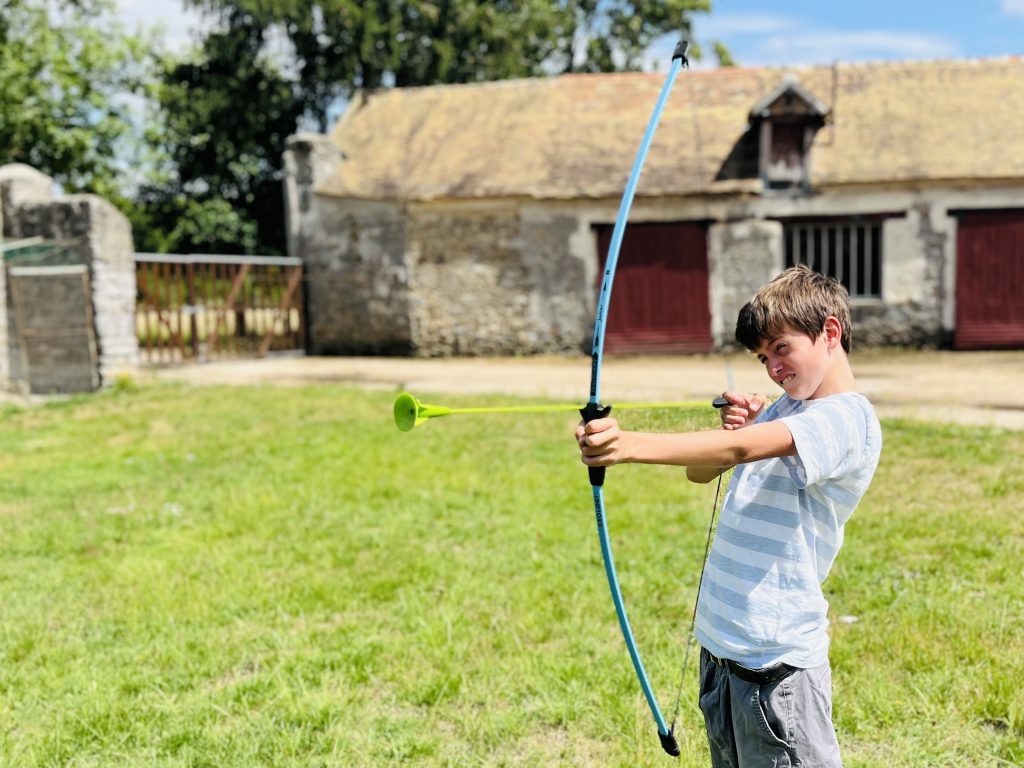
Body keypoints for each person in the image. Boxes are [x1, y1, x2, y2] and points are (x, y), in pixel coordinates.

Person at [576, 265, 882, 767]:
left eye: (781, 348)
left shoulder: (848, 418)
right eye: (763, 358)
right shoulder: (785, 410)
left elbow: (741, 449)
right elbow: (704, 472)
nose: (773, 368)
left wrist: (626, 445)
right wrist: (740, 427)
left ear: (829, 332)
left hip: (776, 667)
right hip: (722, 650)